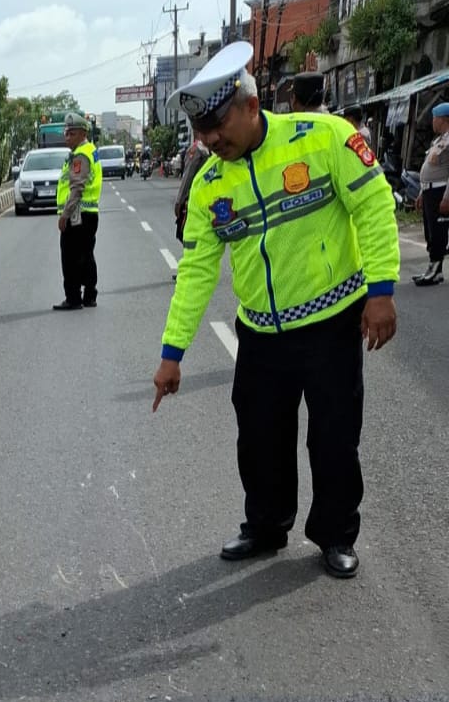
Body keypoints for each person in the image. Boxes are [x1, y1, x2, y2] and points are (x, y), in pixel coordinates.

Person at [151, 40, 400, 580]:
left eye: (218, 126)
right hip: (261, 335)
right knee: (259, 439)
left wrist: (381, 291)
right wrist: (172, 355)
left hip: (332, 325)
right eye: (203, 132)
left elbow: (376, 204)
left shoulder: (324, 138)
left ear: (250, 105)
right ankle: (266, 526)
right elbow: (195, 271)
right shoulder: (210, 184)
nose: (210, 140)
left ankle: (335, 533)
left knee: (333, 438)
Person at [53, 110, 103, 311]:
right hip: (89, 213)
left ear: (83, 133)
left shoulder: (80, 156)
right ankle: (90, 295)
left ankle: (73, 297)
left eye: (72, 133)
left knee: (71, 257)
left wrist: (65, 215)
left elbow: (76, 188)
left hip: (78, 215)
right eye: (66, 133)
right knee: (86, 255)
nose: (67, 137)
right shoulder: (90, 150)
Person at [412, 100, 449, 287]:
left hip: (441, 191)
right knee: (429, 231)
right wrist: (421, 192)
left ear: (443, 119)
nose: (432, 122)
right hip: (429, 190)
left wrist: (447, 197)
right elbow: (429, 167)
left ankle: (435, 270)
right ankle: (433, 268)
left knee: (438, 231)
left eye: (434, 118)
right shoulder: (438, 140)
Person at [171, 140, 211, 279]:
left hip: (194, 200)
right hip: (210, 196)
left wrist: (179, 201)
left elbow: (187, 177)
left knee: (186, 235)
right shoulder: (211, 149)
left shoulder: (196, 150)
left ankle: (191, 269)